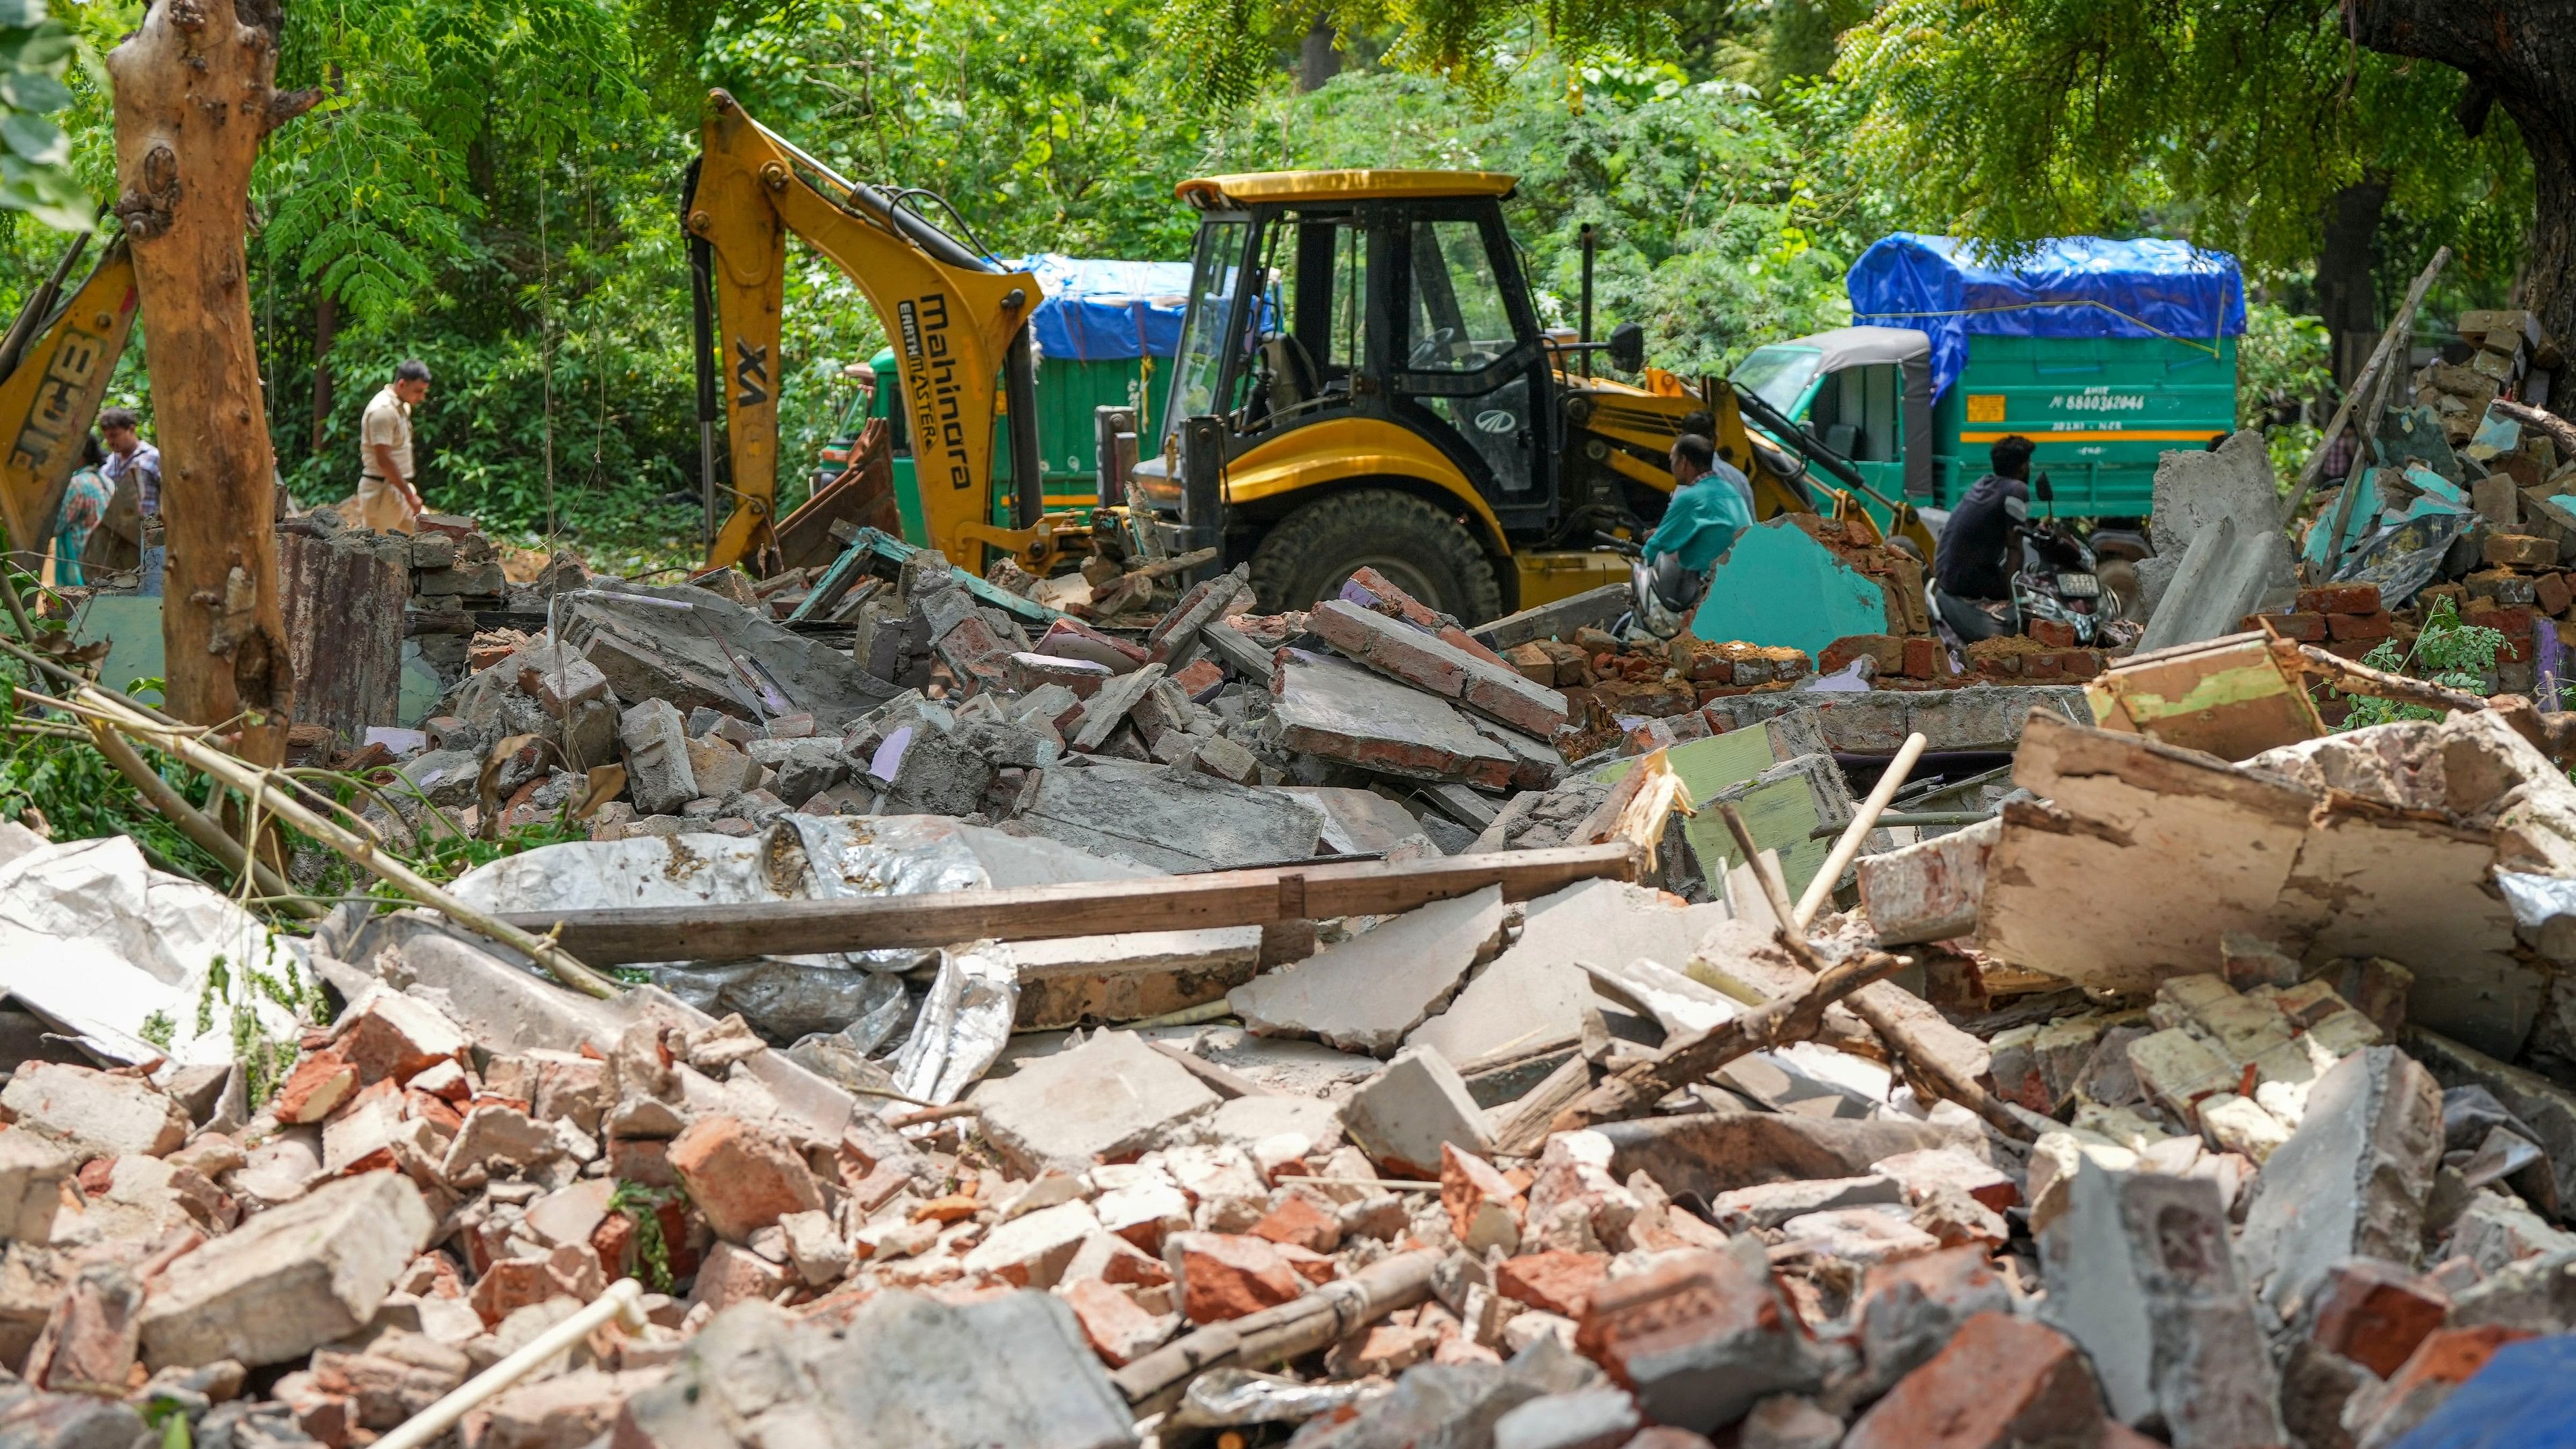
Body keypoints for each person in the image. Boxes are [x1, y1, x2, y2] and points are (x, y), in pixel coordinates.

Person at [1932, 434, 2035, 642]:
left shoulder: (1985, 482)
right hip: (1965, 581)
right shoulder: (2018, 489)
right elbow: (2014, 546)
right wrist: (2014, 597)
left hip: (1946, 573)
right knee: (2032, 593)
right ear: (2023, 467)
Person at [1645, 434, 1754, 576]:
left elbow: (1656, 547)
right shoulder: (1730, 491)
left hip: (1707, 585)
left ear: (1683, 462)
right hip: (1739, 575)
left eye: (1672, 459)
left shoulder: (1691, 498)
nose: (1671, 465)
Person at [356, 359, 432, 534]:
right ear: (402, 384)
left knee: (428, 536)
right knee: (380, 555)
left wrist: (407, 494)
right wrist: (410, 496)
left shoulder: (401, 406)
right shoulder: (382, 411)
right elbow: (384, 460)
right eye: (418, 391)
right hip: (381, 492)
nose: (422, 397)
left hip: (398, 487)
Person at [97, 407, 163, 596]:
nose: (110, 442)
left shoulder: (152, 457)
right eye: (107, 437)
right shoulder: (110, 464)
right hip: (119, 536)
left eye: (115, 435)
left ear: (131, 430)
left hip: (150, 536)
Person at [50, 433, 109, 586]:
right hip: (103, 561)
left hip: (81, 564)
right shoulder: (104, 481)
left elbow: (55, 526)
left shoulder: (77, 484)